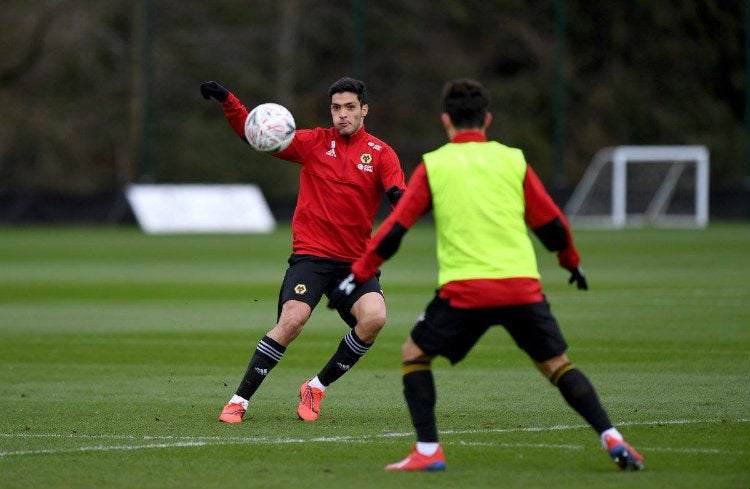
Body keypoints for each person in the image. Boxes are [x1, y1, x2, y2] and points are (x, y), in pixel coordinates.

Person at [328, 78, 644, 471]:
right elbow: (552, 225)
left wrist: (359, 271)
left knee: (414, 354)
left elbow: (396, 229)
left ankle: (427, 452)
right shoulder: (512, 160)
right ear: (487, 119)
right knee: (556, 364)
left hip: (465, 292)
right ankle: (613, 438)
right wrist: (569, 261)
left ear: (446, 120)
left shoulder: (435, 164)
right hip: (521, 288)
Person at [201, 77, 406, 423]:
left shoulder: (381, 153)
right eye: (336, 108)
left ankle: (316, 387)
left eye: (350, 107)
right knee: (292, 320)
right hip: (311, 257)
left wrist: (403, 200)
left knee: (375, 319)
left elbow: (398, 191)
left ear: (364, 110)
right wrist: (229, 102)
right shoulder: (314, 142)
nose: (342, 115)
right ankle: (239, 401)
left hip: (355, 263)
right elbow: (255, 134)